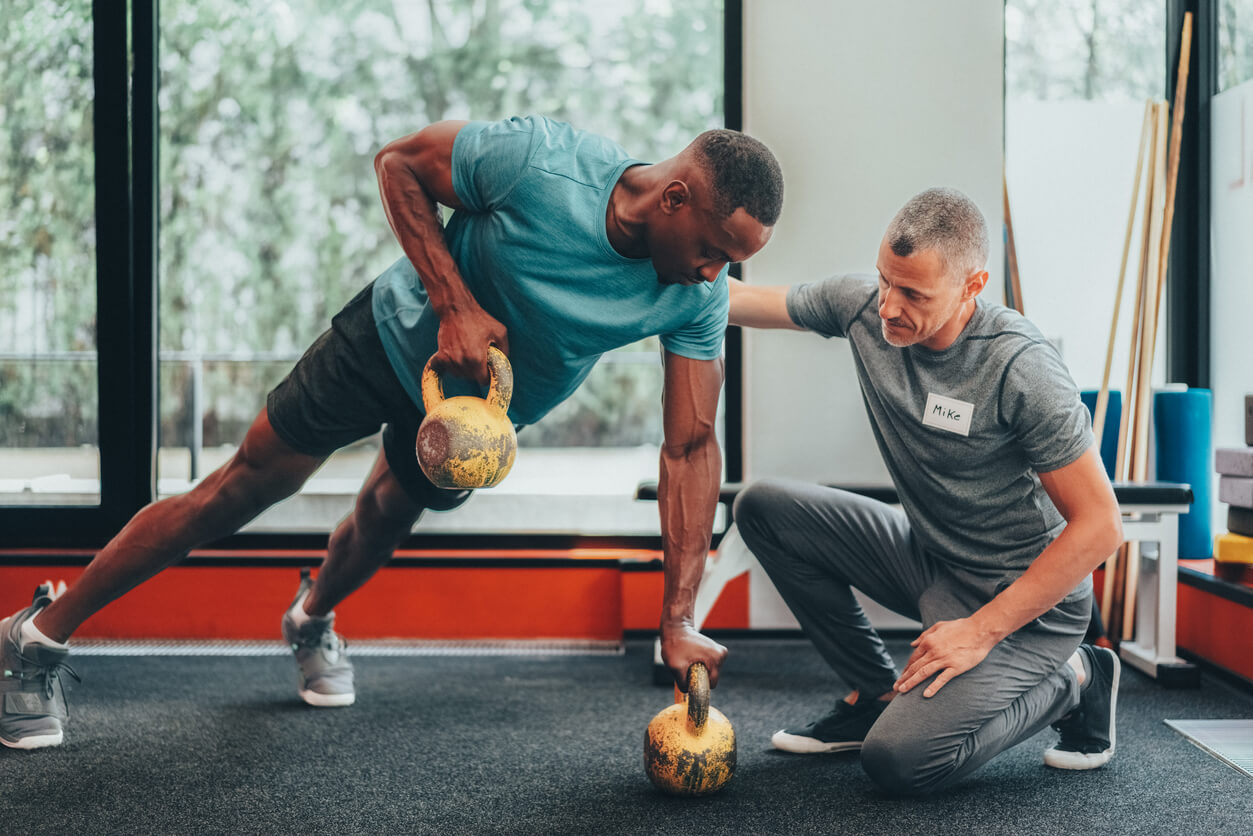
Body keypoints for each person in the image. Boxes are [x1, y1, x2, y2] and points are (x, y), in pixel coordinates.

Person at [0, 115, 783, 749]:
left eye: (730, 262)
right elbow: (399, 162)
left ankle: (311, 620)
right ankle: (36, 637)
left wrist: (678, 614)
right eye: (714, 251)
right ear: (674, 198)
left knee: (381, 521)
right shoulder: (540, 161)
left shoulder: (694, 300)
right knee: (234, 493)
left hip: (474, 418)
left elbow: (689, 447)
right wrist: (451, 302)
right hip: (388, 339)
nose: (715, 275)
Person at [728, 187, 1124, 795]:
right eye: (887, 280)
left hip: (1025, 606)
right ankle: (873, 694)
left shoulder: (1021, 367)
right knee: (763, 506)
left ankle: (1076, 679)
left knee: (900, 761)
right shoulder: (863, 305)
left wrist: (981, 630)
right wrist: (648, 272)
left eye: (913, 294)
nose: (888, 306)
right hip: (932, 560)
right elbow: (742, 299)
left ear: (972, 286)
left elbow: (1101, 525)